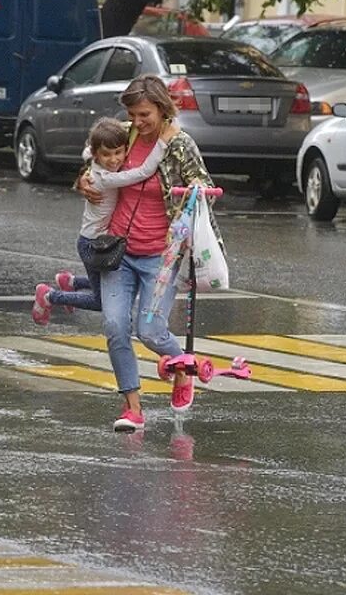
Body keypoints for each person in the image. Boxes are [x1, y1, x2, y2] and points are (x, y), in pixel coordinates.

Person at [76, 74, 220, 432]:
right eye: (133, 115)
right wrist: (82, 177)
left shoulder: (181, 144)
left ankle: (181, 367)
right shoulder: (126, 134)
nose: (137, 122)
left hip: (161, 254)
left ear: (161, 108)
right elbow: (93, 156)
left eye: (144, 115)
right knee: (114, 325)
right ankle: (132, 408)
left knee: (151, 331)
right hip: (118, 251)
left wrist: (199, 191)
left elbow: (202, 180)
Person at [31, 116, 179, 325]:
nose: (113, 160)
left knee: (104, 284)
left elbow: (88, 151)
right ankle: (49, 296)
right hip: (94, 244)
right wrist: (164, 140)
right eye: (106, 154)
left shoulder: (95, 164)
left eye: (118, 152)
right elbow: (144, 171)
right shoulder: (104, 178)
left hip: (96, 240)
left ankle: (70, 281)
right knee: (102, 301)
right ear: (96, 154)